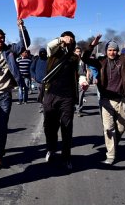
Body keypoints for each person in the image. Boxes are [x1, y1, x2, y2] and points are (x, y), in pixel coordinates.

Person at [82, 24, 125, 165]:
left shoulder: (124, 60)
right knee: (108, 128)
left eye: (114, 50)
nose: (112, 52)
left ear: (118, 51)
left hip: (121, 99)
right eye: (110, 50)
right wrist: (92, 45)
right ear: (106, 51)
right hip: (106, 100)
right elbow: (85, 58)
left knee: (123, 126)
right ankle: (111, 155)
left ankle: (113, 142)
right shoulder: (100, 62)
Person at [0, 19, 30, 167]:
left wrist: (21, 27)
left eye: (1, 37)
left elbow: (24, 43)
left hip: (5, 95)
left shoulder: (10, 50)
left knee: (2, 125)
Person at [42, 31, 79, 170]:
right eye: (66, 40)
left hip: (67, 97)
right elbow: (49, 46)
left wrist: (82, 81)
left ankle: (66, 156)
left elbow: (78, 73)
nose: (69, 42)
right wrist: (60, 39)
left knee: (67, 126)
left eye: (71, 40)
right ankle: (50, 149)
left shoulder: (74, 58)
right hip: (51, 94)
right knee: (49, 126)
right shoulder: (53, 53)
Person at [30, 48, 48, 113]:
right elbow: (32, 69)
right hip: (39, 81)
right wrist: (34, 76)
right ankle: (41, 106)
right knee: (40, 94)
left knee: (46, 94)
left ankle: (45, 106)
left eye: (44, 52)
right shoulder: (36, 60)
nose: (42, 54)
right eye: (41, 52)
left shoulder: (48, 60)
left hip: (47, 81)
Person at [74, 46, 89, 117]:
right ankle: (73, 107)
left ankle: (79, 110)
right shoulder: (72, 60)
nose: (78, 53)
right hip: (73, 78)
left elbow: (87, 69)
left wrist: (87, 79)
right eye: (77, 51)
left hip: (82, 77)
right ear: (74, 52)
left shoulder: (83, 60)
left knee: (81, 94)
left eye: (79, 51)